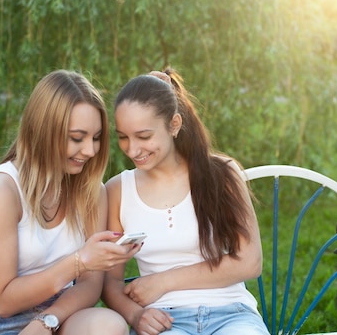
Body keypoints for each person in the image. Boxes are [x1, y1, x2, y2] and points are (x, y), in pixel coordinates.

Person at [0, 70, 139, 335]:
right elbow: (3, 300)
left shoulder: (91, 192)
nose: (90, 151)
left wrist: (47, 321)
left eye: (96, 137)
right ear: (44, 131)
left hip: (61, 312)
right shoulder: (2, 190)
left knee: (109, 325)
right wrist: (79, 262)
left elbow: (90, 286)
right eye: (77, 138)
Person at [102, 68, 270, 335]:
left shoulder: (221, 174)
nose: (132, 150)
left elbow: (250, 262)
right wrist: (136, 315)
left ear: (174, 125)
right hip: (164, 320)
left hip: (232, 315)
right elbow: (110, 282)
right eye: (123, 137)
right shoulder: (118, 190)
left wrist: (163, 281)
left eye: (144, 136)